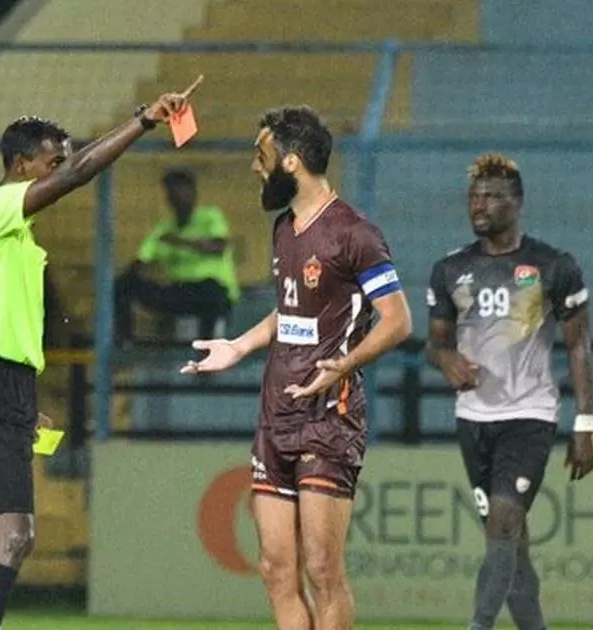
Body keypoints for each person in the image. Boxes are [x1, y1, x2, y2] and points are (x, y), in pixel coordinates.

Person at [0, 78, 198, 630]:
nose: (61, 170)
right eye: (52, 162)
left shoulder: (13, 232)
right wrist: (144, 121)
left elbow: (2, 324)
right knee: (15, 535)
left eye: (62, 160)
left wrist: (21, 402)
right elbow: (81, 173)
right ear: (20, 165)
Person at [180, 105, 412, 630]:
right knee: (275, 569)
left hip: (329, 416)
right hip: (277, 414)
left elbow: (398, 321)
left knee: (322, 570)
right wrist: (239, 346)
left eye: (260, 155)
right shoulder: (285, 229)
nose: (254, 166)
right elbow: (291, 312)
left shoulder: (355, 234)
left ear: (290, 161)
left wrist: (344, 366)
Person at [424, 153, 593, 630]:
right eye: (474, 196)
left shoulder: (552, 266)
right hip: (473, 419)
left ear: (518, 203)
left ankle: (477, 626)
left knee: (502, 522)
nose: (480, 205)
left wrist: (586, 421)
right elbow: (434, 344)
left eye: (493, 197)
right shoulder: (450, 269)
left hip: (529, 416)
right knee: (511, 545)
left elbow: (579, 346)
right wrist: (447, 360)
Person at [114, 168, 239, 343]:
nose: (177, 196)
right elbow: (140, 262)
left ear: (194, 193)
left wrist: (180, 242)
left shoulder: (210, 217)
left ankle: (207, 347)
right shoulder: (163, 228)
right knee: (123, 284)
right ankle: (125, 341)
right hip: (179, 291)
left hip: (210, 292)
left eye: (182, 190)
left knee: (212, 291)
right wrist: (136, 274)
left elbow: (218, 247)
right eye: (172, 192)